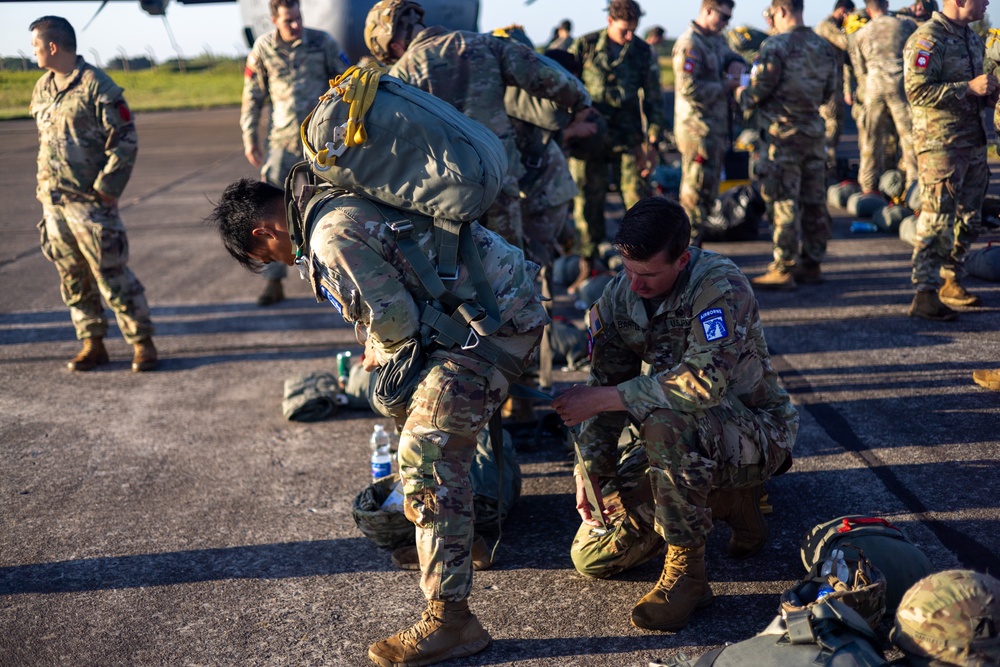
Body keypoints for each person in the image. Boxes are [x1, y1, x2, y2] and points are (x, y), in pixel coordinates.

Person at [207, 178, 547, 667]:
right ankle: (459, 540)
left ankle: (451, 620)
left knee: (426, 458)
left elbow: (397, 326)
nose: (277, 265)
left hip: (493, 327)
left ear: (265, 233)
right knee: (409, 413)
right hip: (490, 305)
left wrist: (380, 347)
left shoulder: (328, 236)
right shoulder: (330, 197)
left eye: (266, 260)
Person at [552, 196, 798, 632]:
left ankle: (687, 576)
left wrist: (607, 398)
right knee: (591, 557)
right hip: (682, 440)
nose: (635, 284)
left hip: (755, 434)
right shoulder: (619, 297)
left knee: (667, 422)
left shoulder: (719, 286)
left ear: (682, 259)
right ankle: (726, 501)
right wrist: (592, 475)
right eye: (627, 269)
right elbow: (603, 388)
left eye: (648, 274)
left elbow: (704, 383)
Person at [364, 0, 591, 250]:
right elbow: (553, 80)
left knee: (463, 273)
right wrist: (579, 105)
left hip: (449, 195)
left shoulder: (401, 75)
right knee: (510, 265)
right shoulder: (483, 43)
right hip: (500, 179)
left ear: (395, 45)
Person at [29, 16, 157, 373]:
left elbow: (125, 141)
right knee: (72, 277)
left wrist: (107, 190)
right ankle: (92, 343)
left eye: (36, 45)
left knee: (111, 274)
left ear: (52, 46)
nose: (33, 52)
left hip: (90, 203)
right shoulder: (42, 87)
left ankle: (142, 343)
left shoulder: (96, 86)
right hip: (54, 203)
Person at [240, 0, 347, 307]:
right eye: (289, 21)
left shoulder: (322, 42)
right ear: (275, 21)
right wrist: (250, 139)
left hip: (321, 146)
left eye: (298, 18)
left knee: (333, 206)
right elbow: (253, 98)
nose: (296, 25)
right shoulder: (263, 49)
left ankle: (338, 277)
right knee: (269, 215)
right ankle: (274, 282)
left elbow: (347, 85)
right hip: (282, 143)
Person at [902, 0, 997, 320]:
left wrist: (987, 93)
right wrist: (968, 88)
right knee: (937, 219)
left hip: (972, 141)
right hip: (941, 145)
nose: (987, 4)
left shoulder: (970, 37)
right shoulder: (928, 38)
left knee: (969, 217)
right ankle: (924, 294)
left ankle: (950, 278)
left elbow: (974, 89)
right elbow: (916, 92)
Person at [736, 0, 838, 290]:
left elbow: (756, 94)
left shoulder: (775, 47)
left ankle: (783, 267)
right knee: (814, 200)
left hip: (782, 139)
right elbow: (828, 91)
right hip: (814, 134)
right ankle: (813, 262)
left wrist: (738, 91)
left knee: (783, 201)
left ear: (781, 11)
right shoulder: (823, 46)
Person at [568, 0, 667, 272]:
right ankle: (589, 266)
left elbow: (654, 100)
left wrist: (653, 143)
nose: (629, 37)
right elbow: (566, 89)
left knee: (639, 202)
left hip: (628, 138)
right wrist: (571, 127)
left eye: (633, 30)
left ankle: (641, 265)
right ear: (610, 21)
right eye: (624, 30)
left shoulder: (642, 51)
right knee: (587, 202)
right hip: (589, 138)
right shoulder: (584, 47)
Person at [672, 0, 745, 244]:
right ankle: (688, 249)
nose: (726, 23)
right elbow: (688, 88)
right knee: (695, 191)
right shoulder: (690, 43)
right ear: (708, 10)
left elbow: (729, 55)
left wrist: (736, 62)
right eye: (723, 17)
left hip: (713, 128)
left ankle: (695, 246)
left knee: (709, 190)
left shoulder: (715, 39)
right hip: (697, 130)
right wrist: (726, 86)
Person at [852, 0, 917, 196]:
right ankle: (914, 186)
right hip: (898, 84)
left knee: (871, 138)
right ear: (887, 3)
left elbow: (860, 69)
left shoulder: (861, 33)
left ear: (867, 8)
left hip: (873, 87)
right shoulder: (904, 25)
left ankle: (868, 185)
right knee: (909, 137)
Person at [814, 0, 855, 175]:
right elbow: (845, 43)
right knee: (831, 124)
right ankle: (825, 165)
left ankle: (827, 163)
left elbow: (845, 63)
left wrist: (846, 89)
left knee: (837, 122)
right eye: (850, 15)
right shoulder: (827, 26)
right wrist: (857, 31)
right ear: (843, 11)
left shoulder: (836, 27)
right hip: (825, 84)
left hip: (834, 83)